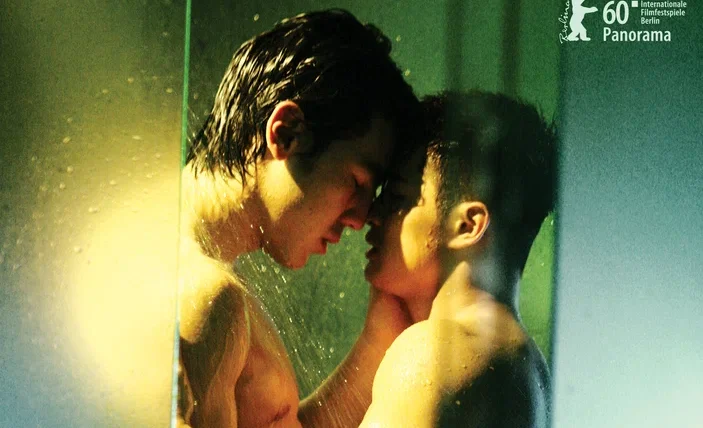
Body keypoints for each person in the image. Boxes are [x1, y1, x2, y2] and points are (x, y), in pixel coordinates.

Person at [177, 9, 420, 428]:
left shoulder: (202, 269)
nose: (361, 219)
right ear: (286, 133)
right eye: (357, 181)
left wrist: (377, 340)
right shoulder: (209, 297)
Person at [360, 91, 555, 427]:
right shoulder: (534, 374)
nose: (372, 214)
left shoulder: (434, 355)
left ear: (467, 226)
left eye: (396, 198)